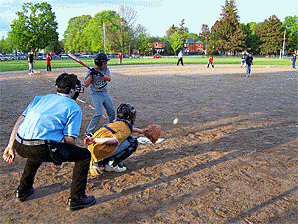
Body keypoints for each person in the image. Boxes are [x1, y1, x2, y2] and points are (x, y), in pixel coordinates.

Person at [2, 73, 95, 211]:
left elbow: (19, 121)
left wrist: (10, 145)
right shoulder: (73, 107)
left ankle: (23, 190)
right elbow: (69, 140)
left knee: (37, 147)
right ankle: (77, 198)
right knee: (84, 155)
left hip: (19, 144)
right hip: (39, 148)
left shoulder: (39, 99)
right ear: (71, 91)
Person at [85, 103, 146, 175]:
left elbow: (129, 129)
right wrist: (95, 140)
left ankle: (96, 161)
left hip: (91, 149)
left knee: (121, 138)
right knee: (132, 142)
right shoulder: (125, 128)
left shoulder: (116, 122)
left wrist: (141, 131)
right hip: (98, 148)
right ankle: (111, 164)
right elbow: (113, 141)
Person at [84, 53, 115, 137]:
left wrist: (100, 74)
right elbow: (86, 85)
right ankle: (88, 131)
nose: (106, 64)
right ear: (99, 63)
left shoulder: (105, 69)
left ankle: (109, 128)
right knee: (98, 113)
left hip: (104, 93)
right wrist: (91, 75)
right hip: (96, 94)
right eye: (104, 63)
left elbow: (109, 79)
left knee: (112, 113)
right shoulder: (91, 70)